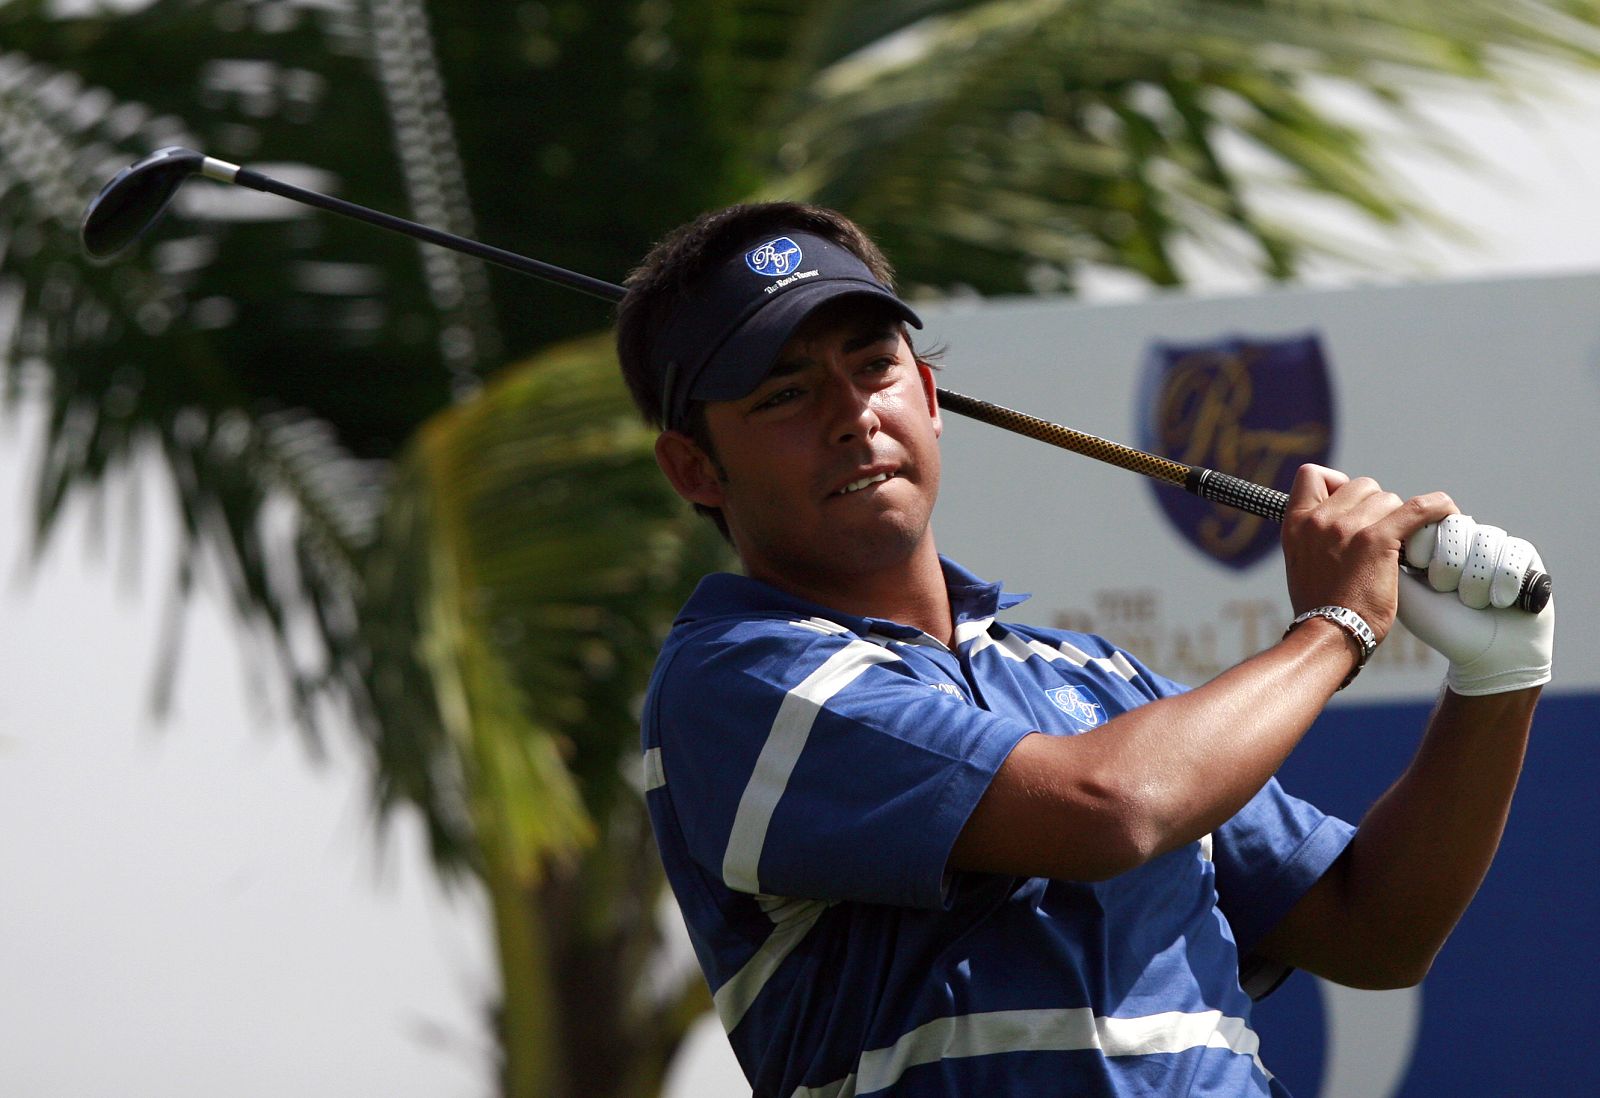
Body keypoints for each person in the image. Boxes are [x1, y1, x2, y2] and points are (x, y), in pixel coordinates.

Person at [614, 202, 1553, 1097]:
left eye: (873, 367)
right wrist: (1338, 627)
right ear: (694, 467)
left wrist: (1498, 681)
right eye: (784, 393)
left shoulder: (1093, 677)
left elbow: (1375, 930)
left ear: (929, 394)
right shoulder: (736, 676)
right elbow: (1108, 811)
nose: (852, 413)